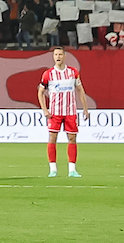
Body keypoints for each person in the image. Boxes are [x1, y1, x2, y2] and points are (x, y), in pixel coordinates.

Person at [34, 45, 92, 179]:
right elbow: (40, 92)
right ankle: (53, 169)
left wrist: (85, 109)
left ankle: (72, 170)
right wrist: (44, 109)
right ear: (53, 57)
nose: (58, 57)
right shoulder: (48, 74)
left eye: (60, 54)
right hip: (55, 112)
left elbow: (80, 90)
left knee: (72, 138)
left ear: (65, 56)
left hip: (70, 111)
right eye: (55, 55)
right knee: (52, 138)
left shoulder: (73, 72)